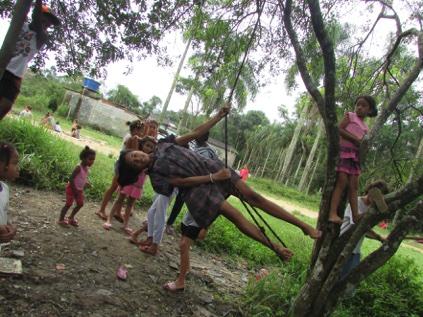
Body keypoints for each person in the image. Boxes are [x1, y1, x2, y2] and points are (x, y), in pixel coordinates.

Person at [118, 103, 321, 261]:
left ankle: (303, 225)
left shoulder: (164, 144)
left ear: (137, 150)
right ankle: (275, 247)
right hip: (200, 191)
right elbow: (182, 181)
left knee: (253, 197)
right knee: (236, 216)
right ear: (137, 170)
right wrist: (213, 179)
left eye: (135, 155)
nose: (138, 158)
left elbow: (196, 133)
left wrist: (219, 115)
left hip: (212, 167)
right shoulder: (156, 178)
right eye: (135, 162)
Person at [0, 1, 60, 120]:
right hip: (2, 67)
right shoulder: (20, 25)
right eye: (45, 19)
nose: (47, 24)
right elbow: (35, 17)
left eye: (49, 24)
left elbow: (37, 21)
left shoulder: (42, 38)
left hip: (15, 76)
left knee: (5, 106)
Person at [328, 96, 379, 224]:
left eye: (364, 106)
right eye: (358, 105)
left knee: (354, 186)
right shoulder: (350, 116)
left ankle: (355, 215)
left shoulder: (365, 127)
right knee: (342, 181)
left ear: (370, 110)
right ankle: (332, 213)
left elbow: (363, 144)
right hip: (344, 152)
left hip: (355, 157)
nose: (360, 107)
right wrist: (355, 140)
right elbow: (339, 129)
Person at [165, 131, 219, 235]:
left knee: (186, 203)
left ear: (204, 138)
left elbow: (203, 167)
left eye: (198, 136)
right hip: (185, 177)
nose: (195, 138)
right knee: (176, 201)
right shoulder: (195, 146)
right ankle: (170, 224)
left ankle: (186, 228)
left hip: (196, 181)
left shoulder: (207, 152)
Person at [102, 136, 156, 231]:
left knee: (130, 205)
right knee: (119, 200)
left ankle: (125, 225)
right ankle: (109, 219)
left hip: (138, 186)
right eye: (147, 145)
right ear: (142, 144)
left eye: (151, 147)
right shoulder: (136, 154)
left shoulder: (149, 161)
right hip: (128, 183)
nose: (149, 148)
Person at [339, 180, 389, 281]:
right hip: (342, 246)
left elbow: (365, 232)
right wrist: (379, 237)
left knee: (348, 281)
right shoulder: (356, 203)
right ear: (371, 191)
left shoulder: (373, 209)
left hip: (355, 250)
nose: (377, 200)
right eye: (377, 196)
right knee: (336, 279)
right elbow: (360, 225)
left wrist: (379, 238)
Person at [95, 120, 145, 220]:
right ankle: (101, 210)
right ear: (135, 130)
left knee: (122, 190)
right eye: (141, 131)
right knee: (113, 187)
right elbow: (135, 152)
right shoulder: (131, 138)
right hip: (121, 166)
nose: (141, 134)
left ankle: (117, 211)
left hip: (126, 167)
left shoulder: (131, 137)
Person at [163, 211, 207, 292]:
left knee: (184, 245)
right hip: (191, 213)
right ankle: (186, 269)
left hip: (202, 218)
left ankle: (180, 282)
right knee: (183, 241)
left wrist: (206, 227)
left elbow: (217, 204)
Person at [58, 146, 96, 227]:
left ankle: (71, 218)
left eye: (93, 159)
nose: (92, 161)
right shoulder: (78, 167)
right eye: (90, 159)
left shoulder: (85, 168)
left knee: (80, 204)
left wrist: (86, 183)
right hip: (72, 189)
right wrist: (74, 189)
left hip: (79, 190)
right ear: (83, 158)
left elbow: (82, 178)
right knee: (68, 204)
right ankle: (61, 220)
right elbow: (71, 178)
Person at [0, 142, 19, 243]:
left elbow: (4, 213)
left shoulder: (5, 189)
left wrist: (10, 226)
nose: (18, 168)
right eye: (15, 163)